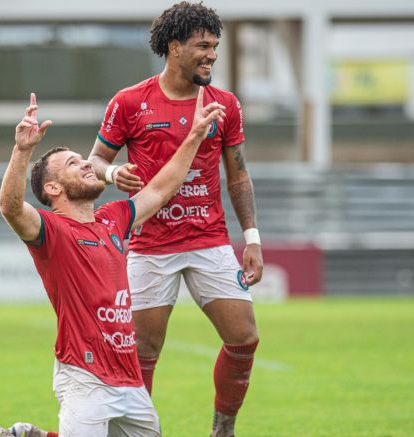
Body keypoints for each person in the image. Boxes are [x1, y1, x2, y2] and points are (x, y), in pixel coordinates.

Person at [0, 89, 225, 437]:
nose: (86, 163)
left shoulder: (112, 218)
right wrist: (22, 150)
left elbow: (161, 189)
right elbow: (10, 207)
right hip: (85, 377)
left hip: (129, 379)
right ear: (53, 189)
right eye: (73, 163)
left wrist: (194, 136)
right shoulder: (51, 230)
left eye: (82, 159)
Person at [87, 2, 264, 436]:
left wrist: (253, 237)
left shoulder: (224, 104)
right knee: (143, 349)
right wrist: (113, 173)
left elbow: (238, 175)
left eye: (215, 47)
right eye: (203, 46)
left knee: (244, 338)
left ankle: (223, 429)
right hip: (150, 246)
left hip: (209, 240)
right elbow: (93, 161)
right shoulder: (129, 102)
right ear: (174, 47)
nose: (211, 55)